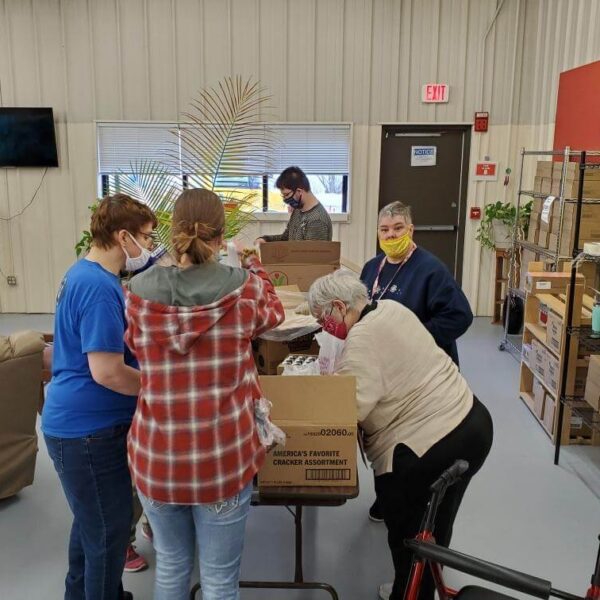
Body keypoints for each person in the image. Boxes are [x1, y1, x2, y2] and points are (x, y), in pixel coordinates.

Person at [124, 188, 285, 600]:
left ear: (172, 232)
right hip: (222, 459)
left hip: (157, 459)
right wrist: (253, 262)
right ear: (219, 238)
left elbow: (134, 345)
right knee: (218, 581)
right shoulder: (244, 289)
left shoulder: (138, 293)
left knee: (172, 567)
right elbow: (275, 313)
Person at [307, 270, 493, 600]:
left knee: (407, 530)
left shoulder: (360, 341)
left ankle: (408, 592)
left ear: (339, 306)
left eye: (323, 319)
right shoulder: (392, 308)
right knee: (436, 523)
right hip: (471, 420)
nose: (325, 327)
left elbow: (348, 412)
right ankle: (418, 586)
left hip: (430, 443)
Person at [42, 194, 158, 600]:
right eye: (145, 237)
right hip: (87, 433)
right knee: (108, 534)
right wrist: (159, 385)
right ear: (123, 236)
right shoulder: (98, 288)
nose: (148, 247)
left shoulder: (84, 274)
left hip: (74, 426)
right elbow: (106, 371)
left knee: (90, 527)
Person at [361, 201, 474, 523]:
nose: (391, 234)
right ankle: (386, 497)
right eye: (385, 230)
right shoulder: (372, 268)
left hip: (423, 374)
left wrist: (415, 337)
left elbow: (460, 316)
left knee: (414, 443)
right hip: (385, 371)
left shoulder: (430, 269)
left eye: (398, 228)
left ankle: (417, 503)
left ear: (411, 230)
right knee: (381, 439)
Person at [256, 166, 332, 244]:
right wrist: (265, 239)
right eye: (283, 195)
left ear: (299, 191)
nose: (285, 199)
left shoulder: (317, 220)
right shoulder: (298, 210)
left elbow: (310, 255)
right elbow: (286, 237)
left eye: (287, 195)